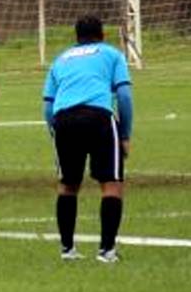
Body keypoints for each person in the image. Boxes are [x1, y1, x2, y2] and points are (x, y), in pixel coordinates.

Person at [43, 15, 133, 263]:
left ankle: (67, 249)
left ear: (76, 36)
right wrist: (124, 134)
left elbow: (48, 106)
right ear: (102, 34)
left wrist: (55, 131)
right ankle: (106, 251)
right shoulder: (112, 54)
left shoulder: (60, 59)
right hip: (99, 117)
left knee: (67, 184)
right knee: (111, 184)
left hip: (64, 120)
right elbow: (124, 96)